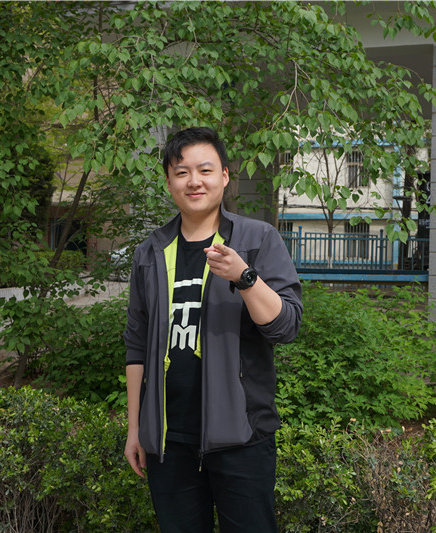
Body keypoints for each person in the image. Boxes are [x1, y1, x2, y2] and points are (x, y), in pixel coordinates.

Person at [123, 127, 303, 532]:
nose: (194, 181)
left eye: (205, 170)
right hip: (169, 441)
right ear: (169, 181)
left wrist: (245, 277)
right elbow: (136, 345)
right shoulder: (150, 252)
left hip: (242, 437)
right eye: (181, 172)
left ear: (224, 176)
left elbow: (286, 327)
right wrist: (136, 429)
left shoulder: (256, 239)